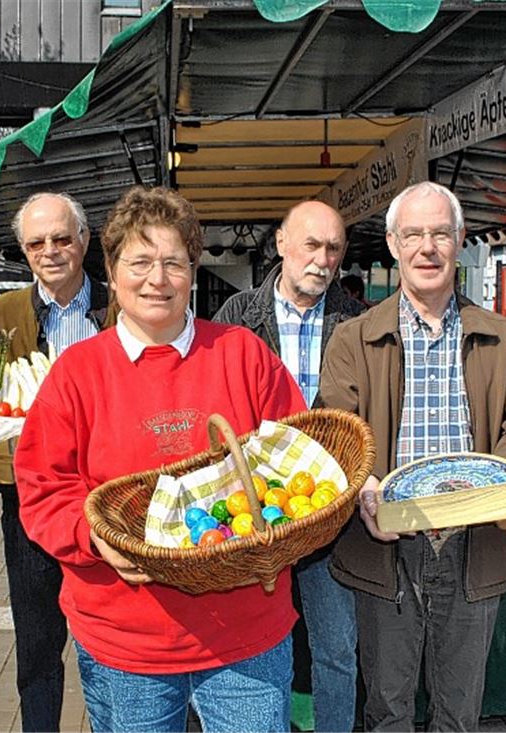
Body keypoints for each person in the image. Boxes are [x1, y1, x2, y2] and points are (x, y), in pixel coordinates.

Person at [13, 186, 306, 732]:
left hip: (245, 638)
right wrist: (94, 535)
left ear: (193, 270)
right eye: (140, 262)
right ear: (112, 268)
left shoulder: (243, 355)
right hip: (127, 644)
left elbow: (297, 460)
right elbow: (43, 488)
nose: (157, 279)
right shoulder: (78, 373)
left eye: (174, 262)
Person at [318, 181, 506, 731]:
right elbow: (338, 435)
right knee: (388, 707)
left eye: (440, 233)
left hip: (474, 542)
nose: (427, 247)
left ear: (460, 240)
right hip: (388, 546)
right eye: (414, 234)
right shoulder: (354, 338)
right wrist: (364, 487)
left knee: (460, 709)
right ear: (394, 245)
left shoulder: (502, 336)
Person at [0, 192, 108, 732]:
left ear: (85, 241)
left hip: (110, 501)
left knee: (111, 644)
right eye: (36, 242)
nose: (50, 251)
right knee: (38, 647)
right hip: (29, 506)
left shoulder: (118, 309)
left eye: (62, 238)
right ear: (23, 250)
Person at [213, 199, 365, 733]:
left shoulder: (357, 322)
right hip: (252, 513)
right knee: (257, 653)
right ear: (280, 244)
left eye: (333, 248)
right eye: (311, 245)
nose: (322, 260)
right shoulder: (235, 318)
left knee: (336, 651)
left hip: (328, 513)